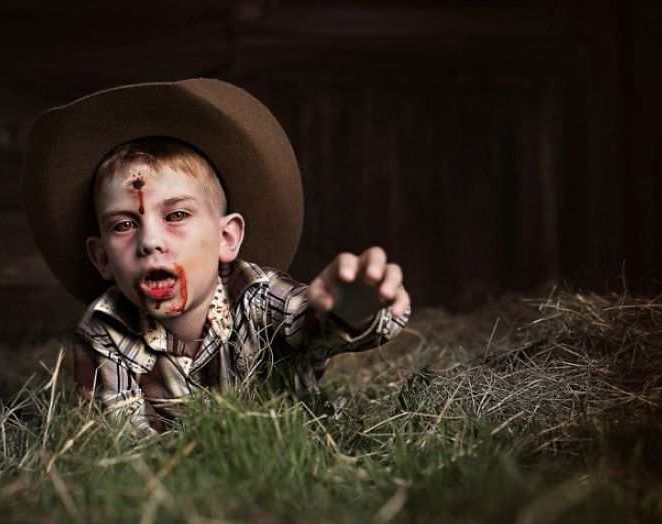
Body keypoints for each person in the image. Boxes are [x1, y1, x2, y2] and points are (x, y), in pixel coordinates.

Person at [22, 79, 410, 436]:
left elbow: (310, 322)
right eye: (124, 225)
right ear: (103, 258)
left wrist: (351, 309)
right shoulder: (105, 333)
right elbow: (122, 445)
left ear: (226, 238)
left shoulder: (258, 297)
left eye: (176, 216)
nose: (150, 241)